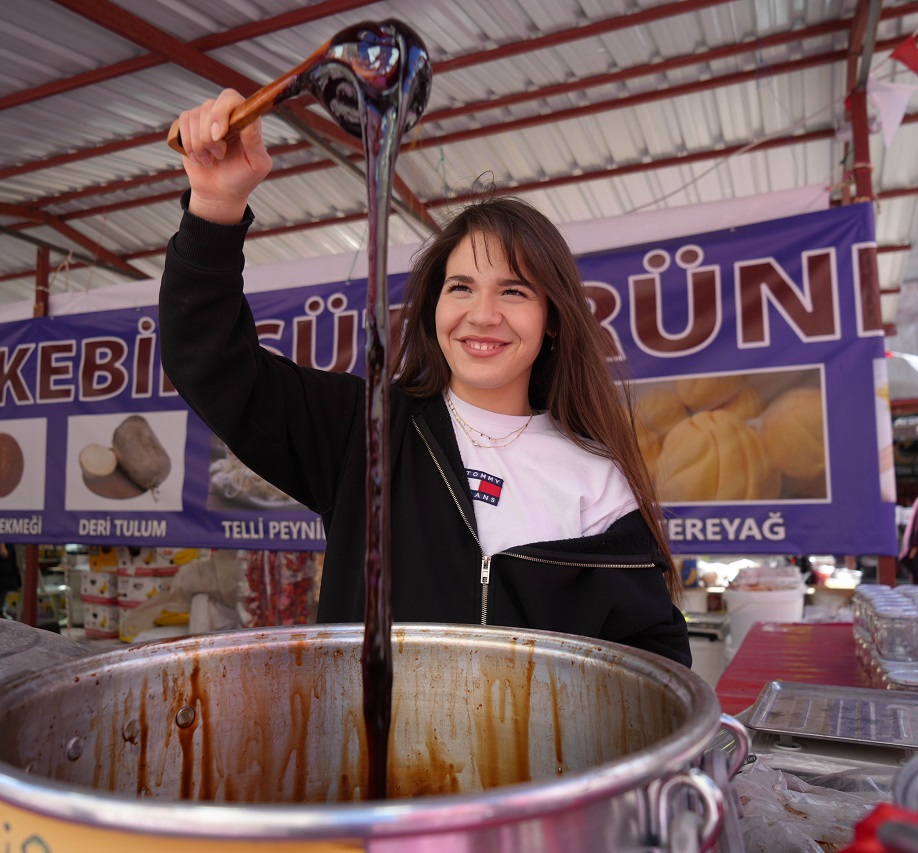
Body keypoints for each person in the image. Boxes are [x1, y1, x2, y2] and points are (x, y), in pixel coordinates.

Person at [159, 91, 689, 665]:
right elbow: (209, 361)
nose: (482, 315)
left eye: (514, 291)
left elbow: (652, 656)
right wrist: (215, 203)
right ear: (434, 307)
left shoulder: (596, 481)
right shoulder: (364, 434)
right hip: (366, 753)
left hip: (539, 756)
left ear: (553, 319)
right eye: (460, 287)